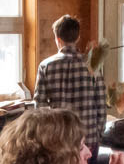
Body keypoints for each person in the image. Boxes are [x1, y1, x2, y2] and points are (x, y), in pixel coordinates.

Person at [34, 15, 105, 154]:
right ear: (78, 38)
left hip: (58, 139)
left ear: (58, 39)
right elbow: (101, 104)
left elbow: (39, 107)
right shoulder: (93, 65)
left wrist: (45, 136)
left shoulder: (45, 66)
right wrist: (99, 134)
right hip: (88, 137)